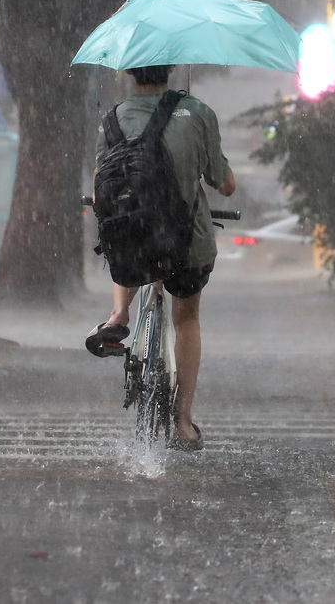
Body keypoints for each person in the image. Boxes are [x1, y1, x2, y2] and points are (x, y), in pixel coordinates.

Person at [86, 64, 235, 451]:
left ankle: (118, 316)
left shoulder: (112, 120)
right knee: (187, 318)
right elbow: (225, 183)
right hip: (186, 243)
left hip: (134, 237)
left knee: (124, 235)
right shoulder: (198, 113)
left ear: (132, 72)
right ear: (170, 71)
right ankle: (183, 421)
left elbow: (100, 184)